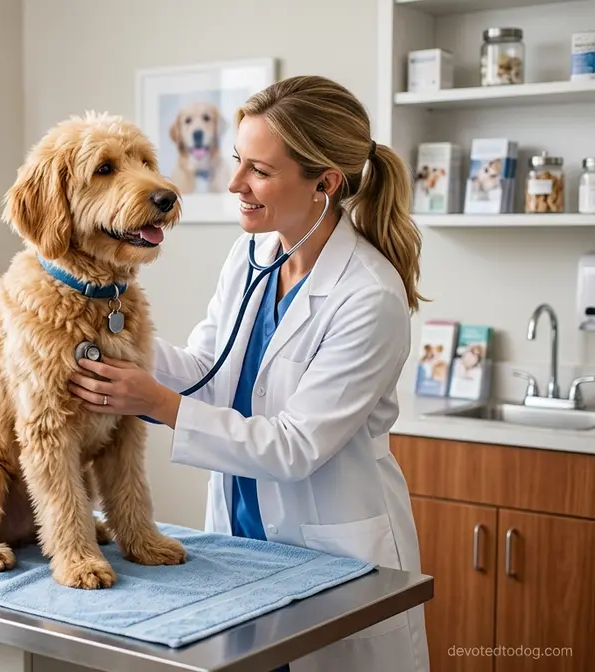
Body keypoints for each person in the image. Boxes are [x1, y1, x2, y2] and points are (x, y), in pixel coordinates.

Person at [68, 75, 430, 672]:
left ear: (324, 183)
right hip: (242, 539)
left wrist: (154, 401)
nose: (234, 183)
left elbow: (295, 446)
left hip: (332, 553)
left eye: (258, 170)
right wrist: (112, 336)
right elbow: (209, 371)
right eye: (238, 161)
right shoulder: (253, 254)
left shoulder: (369, 295)